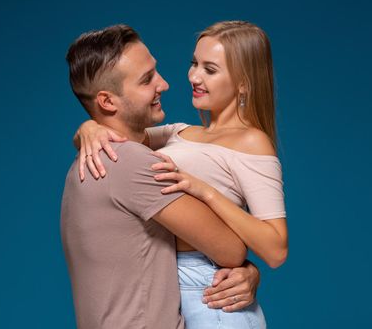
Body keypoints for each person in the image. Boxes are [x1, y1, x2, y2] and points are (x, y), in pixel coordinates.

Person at [75, 21, 288, 328]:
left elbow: (276, 248)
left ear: (243, 83)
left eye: (210, 70)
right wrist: (87, 128)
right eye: (194, 63)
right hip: (170, 290)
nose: (194, 76)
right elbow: (119, 131)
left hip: (212, 296)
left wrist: (206, 193)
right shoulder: (179, 132)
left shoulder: (252, 141)